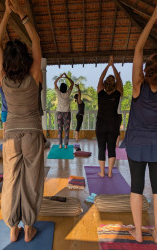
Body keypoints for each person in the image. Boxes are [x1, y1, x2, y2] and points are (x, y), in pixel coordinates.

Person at [0, 0, 44, 243]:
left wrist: (6, 14)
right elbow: (36, 43)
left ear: (6, 63)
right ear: (25, 59)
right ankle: (28, 228)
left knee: (12, 181)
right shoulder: (34, 74)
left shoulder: (3, 78)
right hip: (33, 133)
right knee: (31, 180)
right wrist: (23, 16)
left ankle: (12, 228)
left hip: (11, 134)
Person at [121, 6, 157, 243]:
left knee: (136, 188)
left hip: (135, 144)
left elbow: (138, 49)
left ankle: (139, 234)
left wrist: (153, 17)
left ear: (146, 70)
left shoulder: (137, 87)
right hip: (156, 146)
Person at [96, 55, 123, 178]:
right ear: (115, 84)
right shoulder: (118, 93)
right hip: (113, 125)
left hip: (101, 125)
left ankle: (102, 173)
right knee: (112, 148)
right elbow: (119, 80)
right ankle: (110, 172)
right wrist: (113, 66)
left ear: (105, 83)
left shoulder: (100, 92)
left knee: (102, 148)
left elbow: (101, 78)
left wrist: (108, 65)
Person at [54, 73, 74, 148]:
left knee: (60, 129)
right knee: (66, 129)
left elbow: (55, 83)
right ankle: (65, 144)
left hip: (59, 112)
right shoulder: (68, 93)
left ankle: (60, 144)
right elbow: (72, 83)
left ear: (60, 88)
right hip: (67, 113)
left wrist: (60, 77)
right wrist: (67, 77)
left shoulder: (58, 93)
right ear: (66, 88)